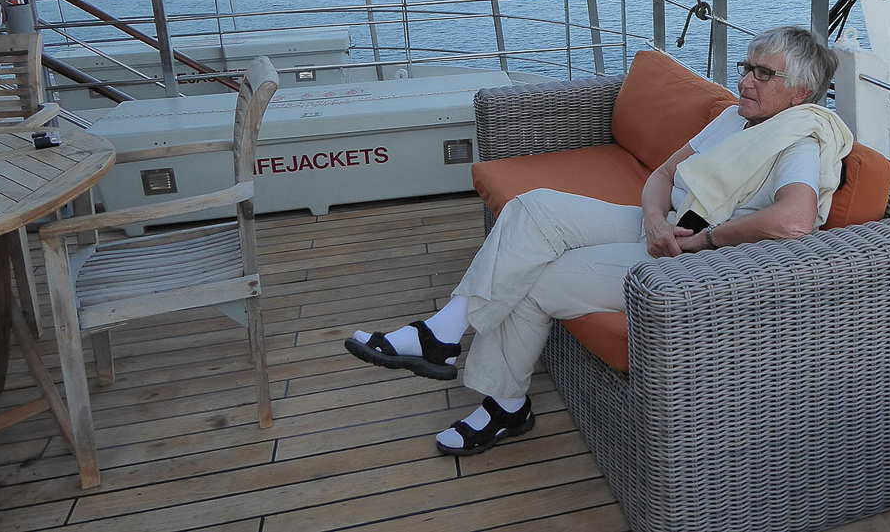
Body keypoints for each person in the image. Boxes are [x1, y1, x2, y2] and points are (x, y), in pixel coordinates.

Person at [345, 26, 853, 456]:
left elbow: (794, 221)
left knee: (537, 276)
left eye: (764, 74)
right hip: (665, 225)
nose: (745, 79)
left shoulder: (799, 141)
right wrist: (654, 219)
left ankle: (503, 404)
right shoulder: (738, 117)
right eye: (747, 67)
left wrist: (706, 240)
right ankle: (444, 332)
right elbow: (664, 173)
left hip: (701, 263)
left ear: (800, 94)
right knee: (533, 209)